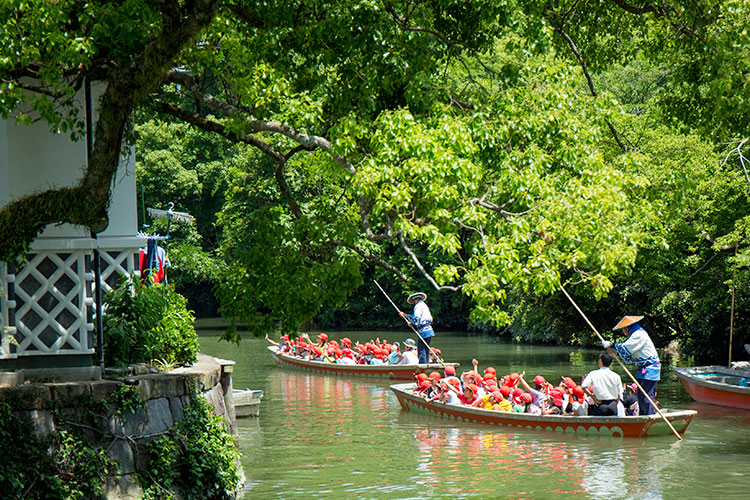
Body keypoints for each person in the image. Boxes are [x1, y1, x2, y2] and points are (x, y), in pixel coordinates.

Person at [604, 315, 660, 416]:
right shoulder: (634, 335)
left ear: (627, 328)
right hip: (644, 369)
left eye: (623, 330)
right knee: (640, 395)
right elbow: (630, 352)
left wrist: (612, 345)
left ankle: (649, 416)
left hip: (650, 369)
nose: (623, 332)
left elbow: (628, 348)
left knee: (646, 396)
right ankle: (643, 415)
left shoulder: (639, 334)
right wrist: (614, 351)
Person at [581, 351, 623, 416]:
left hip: (600, 405)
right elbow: (619, 394)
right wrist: (615, 403)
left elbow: (583, 387)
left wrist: (593, 397)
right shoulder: (616, 376)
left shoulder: (593, 374)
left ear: (600, 361)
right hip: (613, 405)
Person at [399, 292, 434, 364]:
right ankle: (426, 363)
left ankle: (422, 365)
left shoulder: (418, 306)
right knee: (426, 349)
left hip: (423, 331)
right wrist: (412, 323)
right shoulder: (424, 305)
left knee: (421, 349)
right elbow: (419, 320)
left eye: (414, 301)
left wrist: (405, 315)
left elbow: (416, 319)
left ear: (416, 300)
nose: (414, 303)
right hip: (429, 330)